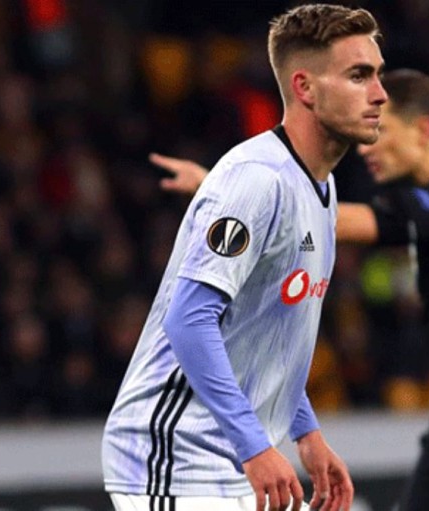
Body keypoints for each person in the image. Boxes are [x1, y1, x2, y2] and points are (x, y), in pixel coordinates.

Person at [152, 69, 429, 511]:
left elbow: (341, 221)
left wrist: (233, 194)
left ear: (423, 130)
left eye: (382, 131)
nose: (367, 145)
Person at [102, 4, 388, 511]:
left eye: (377, 75)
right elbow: (188, 320)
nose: (380, 93)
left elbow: (267, 335)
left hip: (230, 460)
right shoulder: (258, 180)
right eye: (359, 75)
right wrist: (255, 446)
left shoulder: (319, 189)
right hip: (175, 460)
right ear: (304, 88)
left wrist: (306, 433)